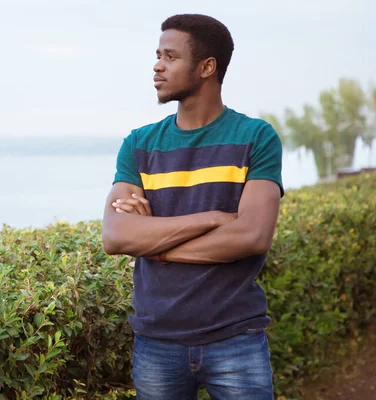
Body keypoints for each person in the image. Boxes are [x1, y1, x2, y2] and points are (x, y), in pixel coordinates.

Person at [101, 13, 284, 399]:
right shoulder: (139, 144)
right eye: (157, 55)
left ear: (206, 67)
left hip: (236, 337)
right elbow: (116, 235)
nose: (157, 65)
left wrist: (157, 246)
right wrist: (213, 219)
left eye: (170, 56)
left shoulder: (255, 137)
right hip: (156, 342)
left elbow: (251, 236)